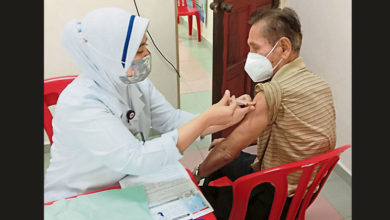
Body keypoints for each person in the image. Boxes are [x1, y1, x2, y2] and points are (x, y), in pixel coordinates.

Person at [44, 8, 255, 203]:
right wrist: (207, 118)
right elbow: (135, 158)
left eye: (145, 46)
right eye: (138, 50)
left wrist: (225, 116)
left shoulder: (134, 84)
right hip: (77, 197)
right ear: (109, 56)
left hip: (123, 183)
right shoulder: (81, 104)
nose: (146, 55)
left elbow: (171, 121)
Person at [193, 7, 337, 220]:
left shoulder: (273, 91)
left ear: (284, 48)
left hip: (273, 199)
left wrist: (197, 173)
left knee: (211, 169)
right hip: (303, 191)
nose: (249, 56)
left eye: (254, 48)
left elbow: (227, 152)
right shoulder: (320, 84)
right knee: (218, 147)